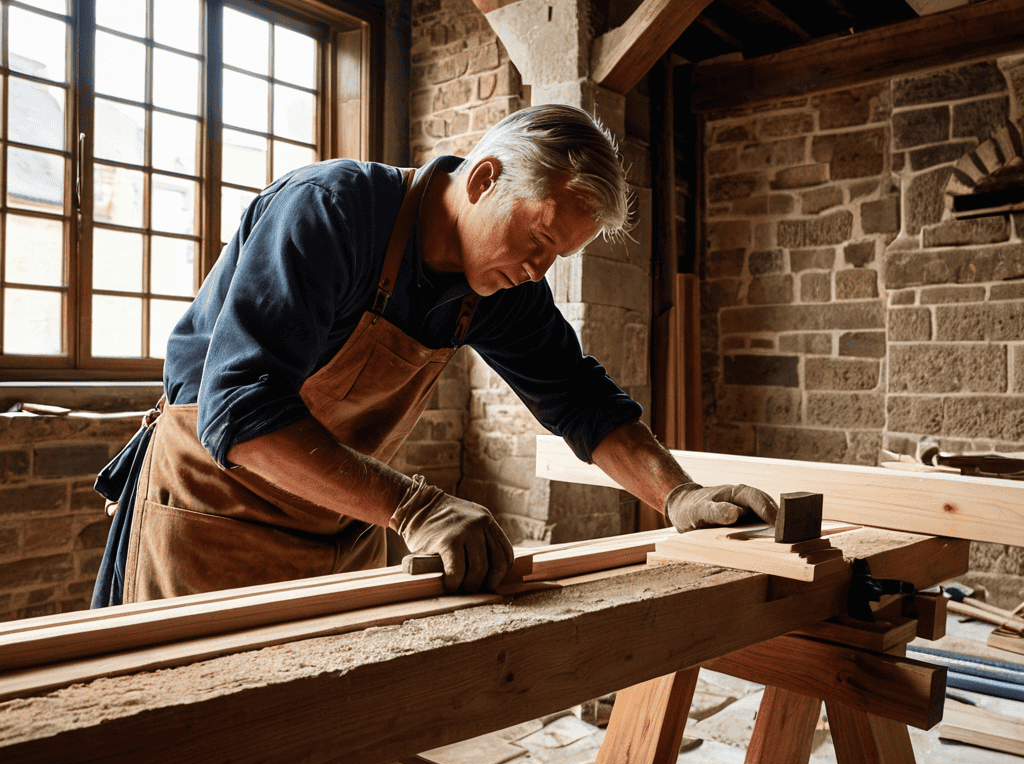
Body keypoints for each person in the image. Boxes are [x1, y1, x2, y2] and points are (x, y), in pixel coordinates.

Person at [92, 104, 777, 608]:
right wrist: (416, 507)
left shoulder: (503, 284)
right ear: (482, 179)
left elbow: (582, 399)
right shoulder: (329, 213)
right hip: (212, 517)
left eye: (557, 256)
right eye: (538, 238)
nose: (539, 269)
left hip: (341, 526)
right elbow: (240, 414)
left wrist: (676, 494)